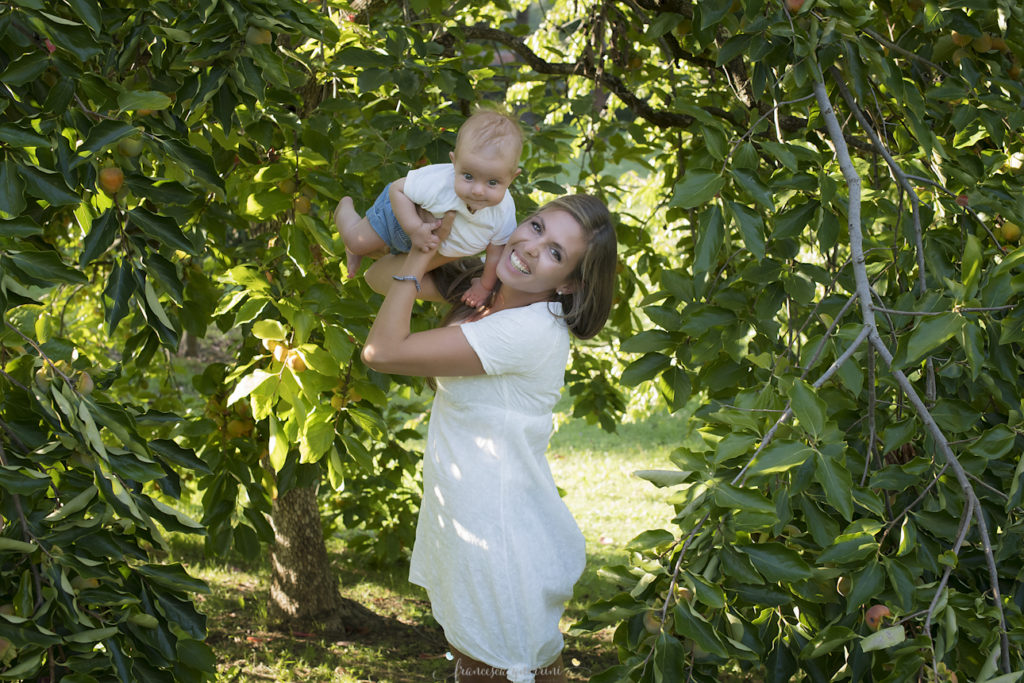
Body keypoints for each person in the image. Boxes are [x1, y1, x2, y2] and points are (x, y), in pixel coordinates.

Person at [360, 194, 618, 683]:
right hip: (471, 527)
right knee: (479, 665)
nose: (532, 247)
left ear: (569, 283)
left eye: (557, 253)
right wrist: (436, 241)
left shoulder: (527, 330)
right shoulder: (486, 294)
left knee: (500, 668)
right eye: (536, 226)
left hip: (502, 544)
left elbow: (382, 350)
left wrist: (419, 257)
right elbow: (377, 277)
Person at [335, 108, 523, 309]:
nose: (477, 190)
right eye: (468, 176)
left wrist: (485, 287)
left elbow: (496, 251)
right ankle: (344, 209)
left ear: (512, 178)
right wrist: (414, 228)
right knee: (357, 242)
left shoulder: (503, 212)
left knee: (377, 257)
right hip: (399, 217)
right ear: (454, 163)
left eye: (492, 182)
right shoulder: (439, 183)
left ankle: (359, 247)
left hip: (427, 244)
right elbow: (398, 189)